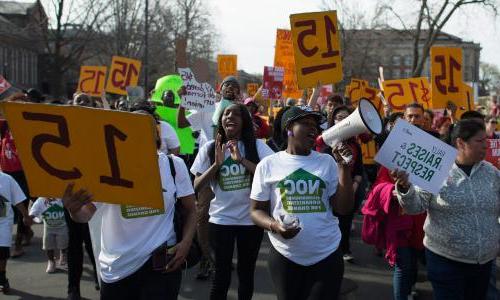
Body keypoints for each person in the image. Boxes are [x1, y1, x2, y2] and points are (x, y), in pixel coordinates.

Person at [62, 111, 197, 299]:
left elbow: (191, 209)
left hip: (161, 264)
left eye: (144, 127)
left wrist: (186, 243)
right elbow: (85, 215)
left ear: (156, 134)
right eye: (130, 127)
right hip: (117, 268)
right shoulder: (105, 170)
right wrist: (73, 209)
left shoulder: (173, 165)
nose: (136, 133)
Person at [250, 106, 354, 300]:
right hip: (285, 256)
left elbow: (343, 208)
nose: (313, 129)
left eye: (315, 125)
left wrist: (344, 169)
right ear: (289, 128)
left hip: (327, 253)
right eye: (305, 124)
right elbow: (256, 211)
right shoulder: (268, 164)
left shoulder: (327, 161)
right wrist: (274, 226)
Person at [394, 119, 500, 300]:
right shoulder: (437, 170)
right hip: (445, 261)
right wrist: (405, 188)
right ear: (460, 143)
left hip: (484, 262)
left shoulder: (492, 172)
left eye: (487, 140)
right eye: (480, 141)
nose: (486, 146)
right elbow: (415, 207)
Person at [191, 103, 274, 300]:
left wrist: (242, 161)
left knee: (246, 275)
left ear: (244, 121)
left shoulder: (258, 146)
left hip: (251, 221)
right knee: (221, 277)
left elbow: (272, 176)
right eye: (226, 113)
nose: (230, 117)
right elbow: (196, 186)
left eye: (236, 114)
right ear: (220, 120)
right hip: (220, 221)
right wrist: (216, 165)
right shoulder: (210, 148)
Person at [67, 93, 100, 299]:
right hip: (71, 194)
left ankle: (100, 278)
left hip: (95, 194)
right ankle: (73, 288)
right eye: (78, 100)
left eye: (86, 101)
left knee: (93, 241)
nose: (82, 103)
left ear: (92, 106)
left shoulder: (99, 129)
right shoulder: (63, 128)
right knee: (74, 244)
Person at [321, 105, 364, 262]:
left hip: (349, 188)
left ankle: (344, 249)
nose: (343, 120)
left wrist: (353, 186)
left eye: (347, 117)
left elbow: (359, 169)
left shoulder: (355, 145)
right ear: (333, 120)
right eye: (339, 117)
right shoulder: (324, 143)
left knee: (345, 221)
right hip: (328, 190)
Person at [0, 171, 32, 294]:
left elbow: (18, 199)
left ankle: (2, 278)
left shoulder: (7, 179)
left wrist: (26, 216)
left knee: (2, 251)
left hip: (3, 221)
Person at [29, 197, 68, 273]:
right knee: (48, 245)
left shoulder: (62, 198)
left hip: (62, 226)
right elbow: (33, 211)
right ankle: (51, 261)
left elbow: (70, 206)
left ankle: (63, 256)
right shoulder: (41, 200)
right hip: (48, 227)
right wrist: (30, 217)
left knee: (64, 243)